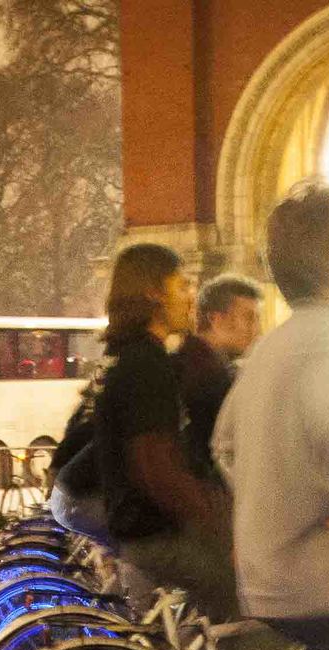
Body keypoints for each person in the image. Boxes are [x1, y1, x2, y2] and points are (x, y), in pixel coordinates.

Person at [212, 184, 329, 650]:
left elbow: (224, 445)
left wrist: (273, 506)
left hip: (268, 574)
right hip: (322, 581)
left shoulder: (275, 343)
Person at [93, 243, 237, 618]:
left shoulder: (133, 358)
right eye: (182, 286)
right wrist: (218, 524)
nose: (191, 297)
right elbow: (158, 469)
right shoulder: (148, 365)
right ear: (154, 293)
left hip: (134, 528)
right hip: (152, 535)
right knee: (242, 588)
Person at [178, 273, 262, 481]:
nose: (256, 330)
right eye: (249, 318)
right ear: (216, 320)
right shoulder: (209, 377)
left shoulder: (193, 364)